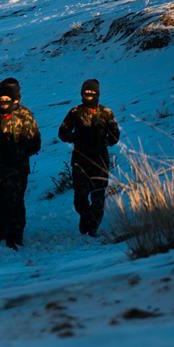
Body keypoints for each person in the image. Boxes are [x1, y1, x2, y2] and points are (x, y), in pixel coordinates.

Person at [0, 80, 41, 250]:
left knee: (16, 202)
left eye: (7, 100)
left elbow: (35, 141)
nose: (3, 103)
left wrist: (19, 148)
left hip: (18, 168)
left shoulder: (25, 115)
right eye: (1, 100)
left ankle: (16, 235)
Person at [58, 79, 120, 236]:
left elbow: (115, 136)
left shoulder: (106, 113)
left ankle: (92, 228)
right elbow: (62, 133)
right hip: (80, 161)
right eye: (86, 93)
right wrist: (76, 138)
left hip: (100, 161)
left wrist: (102, 141)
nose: (89, 95)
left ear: (98, 94)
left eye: (92, 93)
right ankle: (85, 217)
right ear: (82, 93)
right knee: (80, 198)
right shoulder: (75, 112)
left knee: (98, 195)